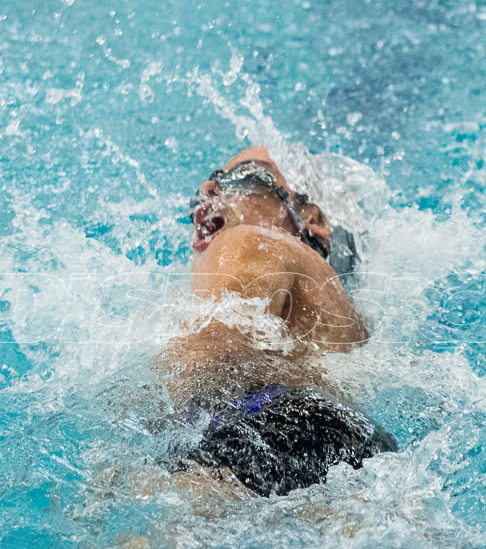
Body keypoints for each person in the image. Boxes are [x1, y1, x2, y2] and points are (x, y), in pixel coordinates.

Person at [159, 146, 397, 498]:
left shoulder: (254, 239)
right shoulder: (351, 323)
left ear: (312, 219)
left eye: (246, 177)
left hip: (266, 429)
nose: (208, 189)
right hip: (360, 454)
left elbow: (216, 347)